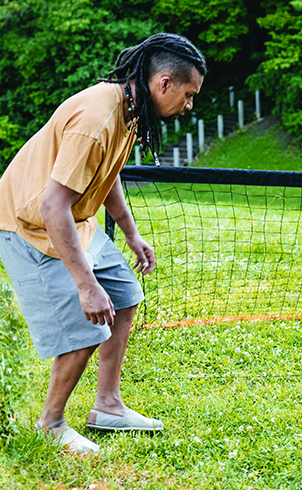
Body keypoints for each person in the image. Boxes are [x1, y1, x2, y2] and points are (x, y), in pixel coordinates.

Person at [0, 33, 206, 453]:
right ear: (163, 83)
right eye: (188, 95)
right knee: (86, 325)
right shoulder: (97, 118)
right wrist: (85, 284)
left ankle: (107, 407)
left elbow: (106, 174)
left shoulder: (130, 110)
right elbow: (52, 205)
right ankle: (51, 423)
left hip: (71, 220)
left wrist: (131, 233)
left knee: (124, 295)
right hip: (27, 223)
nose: (189, 106)